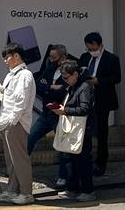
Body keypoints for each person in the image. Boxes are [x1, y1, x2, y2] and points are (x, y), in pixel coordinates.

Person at [0, 43, 36, 205]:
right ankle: (12, 190)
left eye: (7, 57)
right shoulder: (12, 75)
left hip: (15, 123)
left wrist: (11, 121)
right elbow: (6, 96)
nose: (5, 60)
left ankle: (26, 193)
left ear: (16, 56)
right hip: (8, 122)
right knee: (11, 160)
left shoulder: (25, 75)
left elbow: (20, 102)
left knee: (19, 159)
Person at [78, 32, 121, 176]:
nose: (91, 50)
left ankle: (101, 162)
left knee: (102, 132)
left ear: (100, 45)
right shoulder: (84, 57)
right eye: (88, 48)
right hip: (86, 100)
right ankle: (86, 160)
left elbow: (116, 78)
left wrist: (99, 81)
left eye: (92, 47)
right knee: (86, 133)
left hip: (102, 100)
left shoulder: (111, 59)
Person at [53, 60, 96, 202]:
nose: (65, 81)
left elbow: (84, 109)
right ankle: (73, 188)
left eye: (66, 78)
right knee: (73, 160)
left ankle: (88, 190)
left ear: (75, 74)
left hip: (83, 130)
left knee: (82, 161)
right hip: (75, 129)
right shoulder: (74, 87)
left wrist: (64, 110)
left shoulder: (84, 87)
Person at [28, 44, 69, 187]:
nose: (51, 60)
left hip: (59, 114)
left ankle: (63, 177)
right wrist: (51, 87)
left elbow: (63, 91)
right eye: (50, 57)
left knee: (62, 146)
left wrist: (50, 89)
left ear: (63, 57)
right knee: (30, 138)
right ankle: (20, 171)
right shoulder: (50, 68)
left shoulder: (68, 70)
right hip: (46, 113)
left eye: (54, 57)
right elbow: (39, 84)